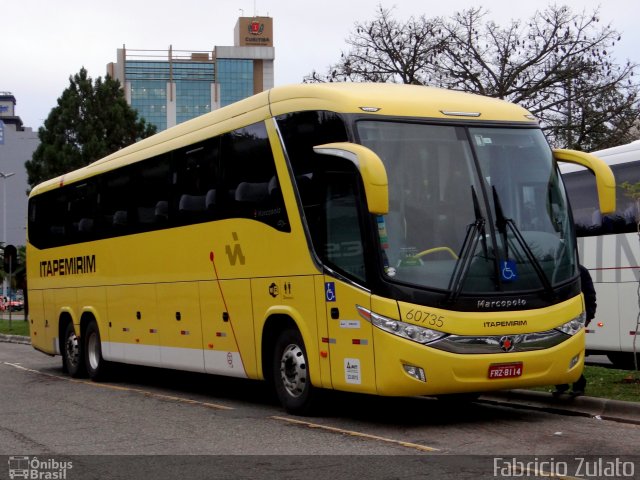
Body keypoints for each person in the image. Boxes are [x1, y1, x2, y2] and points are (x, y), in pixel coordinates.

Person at [553, 264, 597, 396]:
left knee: (573, 352)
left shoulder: (579, 271)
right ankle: (561, 384)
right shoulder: (557, 270)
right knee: (558, 352)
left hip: (574, 318)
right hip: (558, 317)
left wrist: (588, 315)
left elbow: (589, 294)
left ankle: (578, 385)